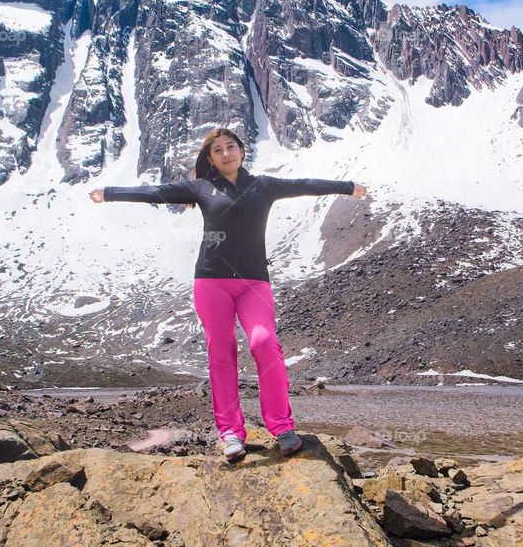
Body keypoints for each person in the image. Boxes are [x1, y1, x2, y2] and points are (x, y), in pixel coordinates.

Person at [89, 128, 367, 462]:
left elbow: (305, 185)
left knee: (264, 342)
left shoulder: (263, 186)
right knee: (221, 353)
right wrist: (109, 192)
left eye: (230, 146)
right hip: (211, 283)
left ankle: (282, 426)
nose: (225, 153)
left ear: (241, 150)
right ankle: (231, 433)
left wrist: (347, 187)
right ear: (210, 158)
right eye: (217, 150)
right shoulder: (200, 187)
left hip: (254, 283)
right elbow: (156, 192)